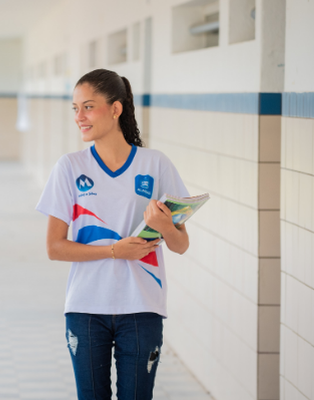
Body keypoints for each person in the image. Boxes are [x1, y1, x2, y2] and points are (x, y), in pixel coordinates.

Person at [36, 69, 190, 400]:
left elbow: (181, 244)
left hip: (142, 306)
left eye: (88, 107)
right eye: (75, 108)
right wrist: (113, 252)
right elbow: (54, 247)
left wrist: (165, 226)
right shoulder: (70, 167)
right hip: (86, 307)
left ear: (116, 109)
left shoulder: (155, 164)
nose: (79, 117)